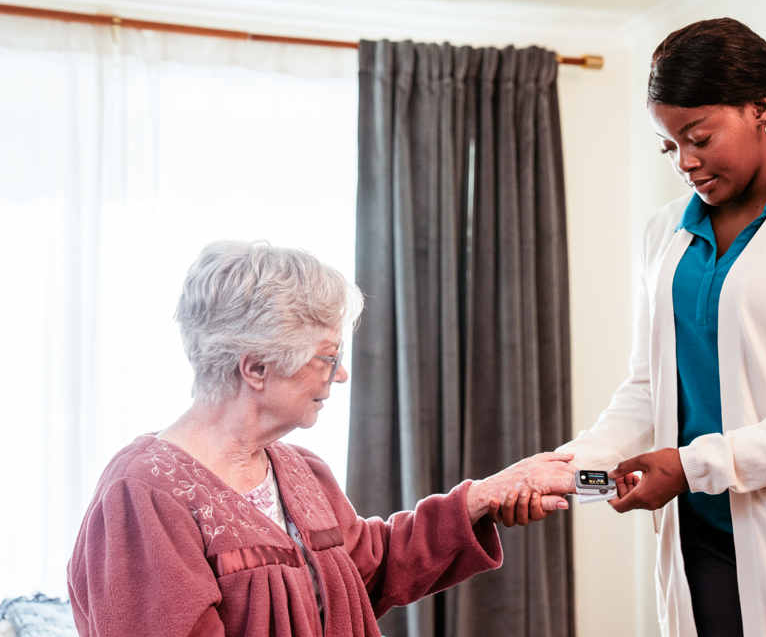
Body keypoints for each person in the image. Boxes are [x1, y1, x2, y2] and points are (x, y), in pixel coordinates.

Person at [498, 17, 766, 637]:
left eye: (698, 136)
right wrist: (572, 465)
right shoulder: (666, 233)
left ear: (760, 108)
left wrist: (693, 466)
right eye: (669, 145)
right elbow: (651, 387)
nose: (686, 161)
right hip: (703, 539)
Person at [66, 240, 574, 637]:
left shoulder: (298, 469)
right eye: (327, 358)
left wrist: (481, 498)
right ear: (258, 367)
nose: (342, 374)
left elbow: (366, 571)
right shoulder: (142, 498)